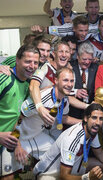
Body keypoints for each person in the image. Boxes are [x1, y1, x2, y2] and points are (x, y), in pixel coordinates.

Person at [0, 67, 74, 178]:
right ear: (56, 80)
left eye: (71, 81)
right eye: (65, 80)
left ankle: (37, 173)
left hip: (36, 136)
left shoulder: (65, 100)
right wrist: (17, 145)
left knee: (57, 156)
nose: (69, 84)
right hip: (18, 137)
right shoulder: (42, 98)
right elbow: (18, 117)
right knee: (8, 176)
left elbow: (64, 118)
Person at [33, 103, 103, 180]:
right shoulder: (72, 138)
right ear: (86, 118)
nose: (98, 122)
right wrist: (87, 178)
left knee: (99, 166)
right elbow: (64, 176)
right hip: (49, 173)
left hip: (72, 167)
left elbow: (100, 153)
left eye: (101, 119)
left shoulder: (92, 130)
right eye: (94, 118)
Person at [0, 44, 40, 179]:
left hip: (5, 141)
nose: (32, 66)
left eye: (35, 62)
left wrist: (16, 142)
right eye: (28, 61)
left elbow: (18, 118)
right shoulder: (4, 79)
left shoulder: (28, 85)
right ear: (17, 60)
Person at [69, 42, 98, 120]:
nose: (87, 62)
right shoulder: (70, 66)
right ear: (78, 56)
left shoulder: (96, 68)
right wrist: (75, 92)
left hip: (91, 113)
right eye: (84, 59)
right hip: (72, 112)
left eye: (90, 59)